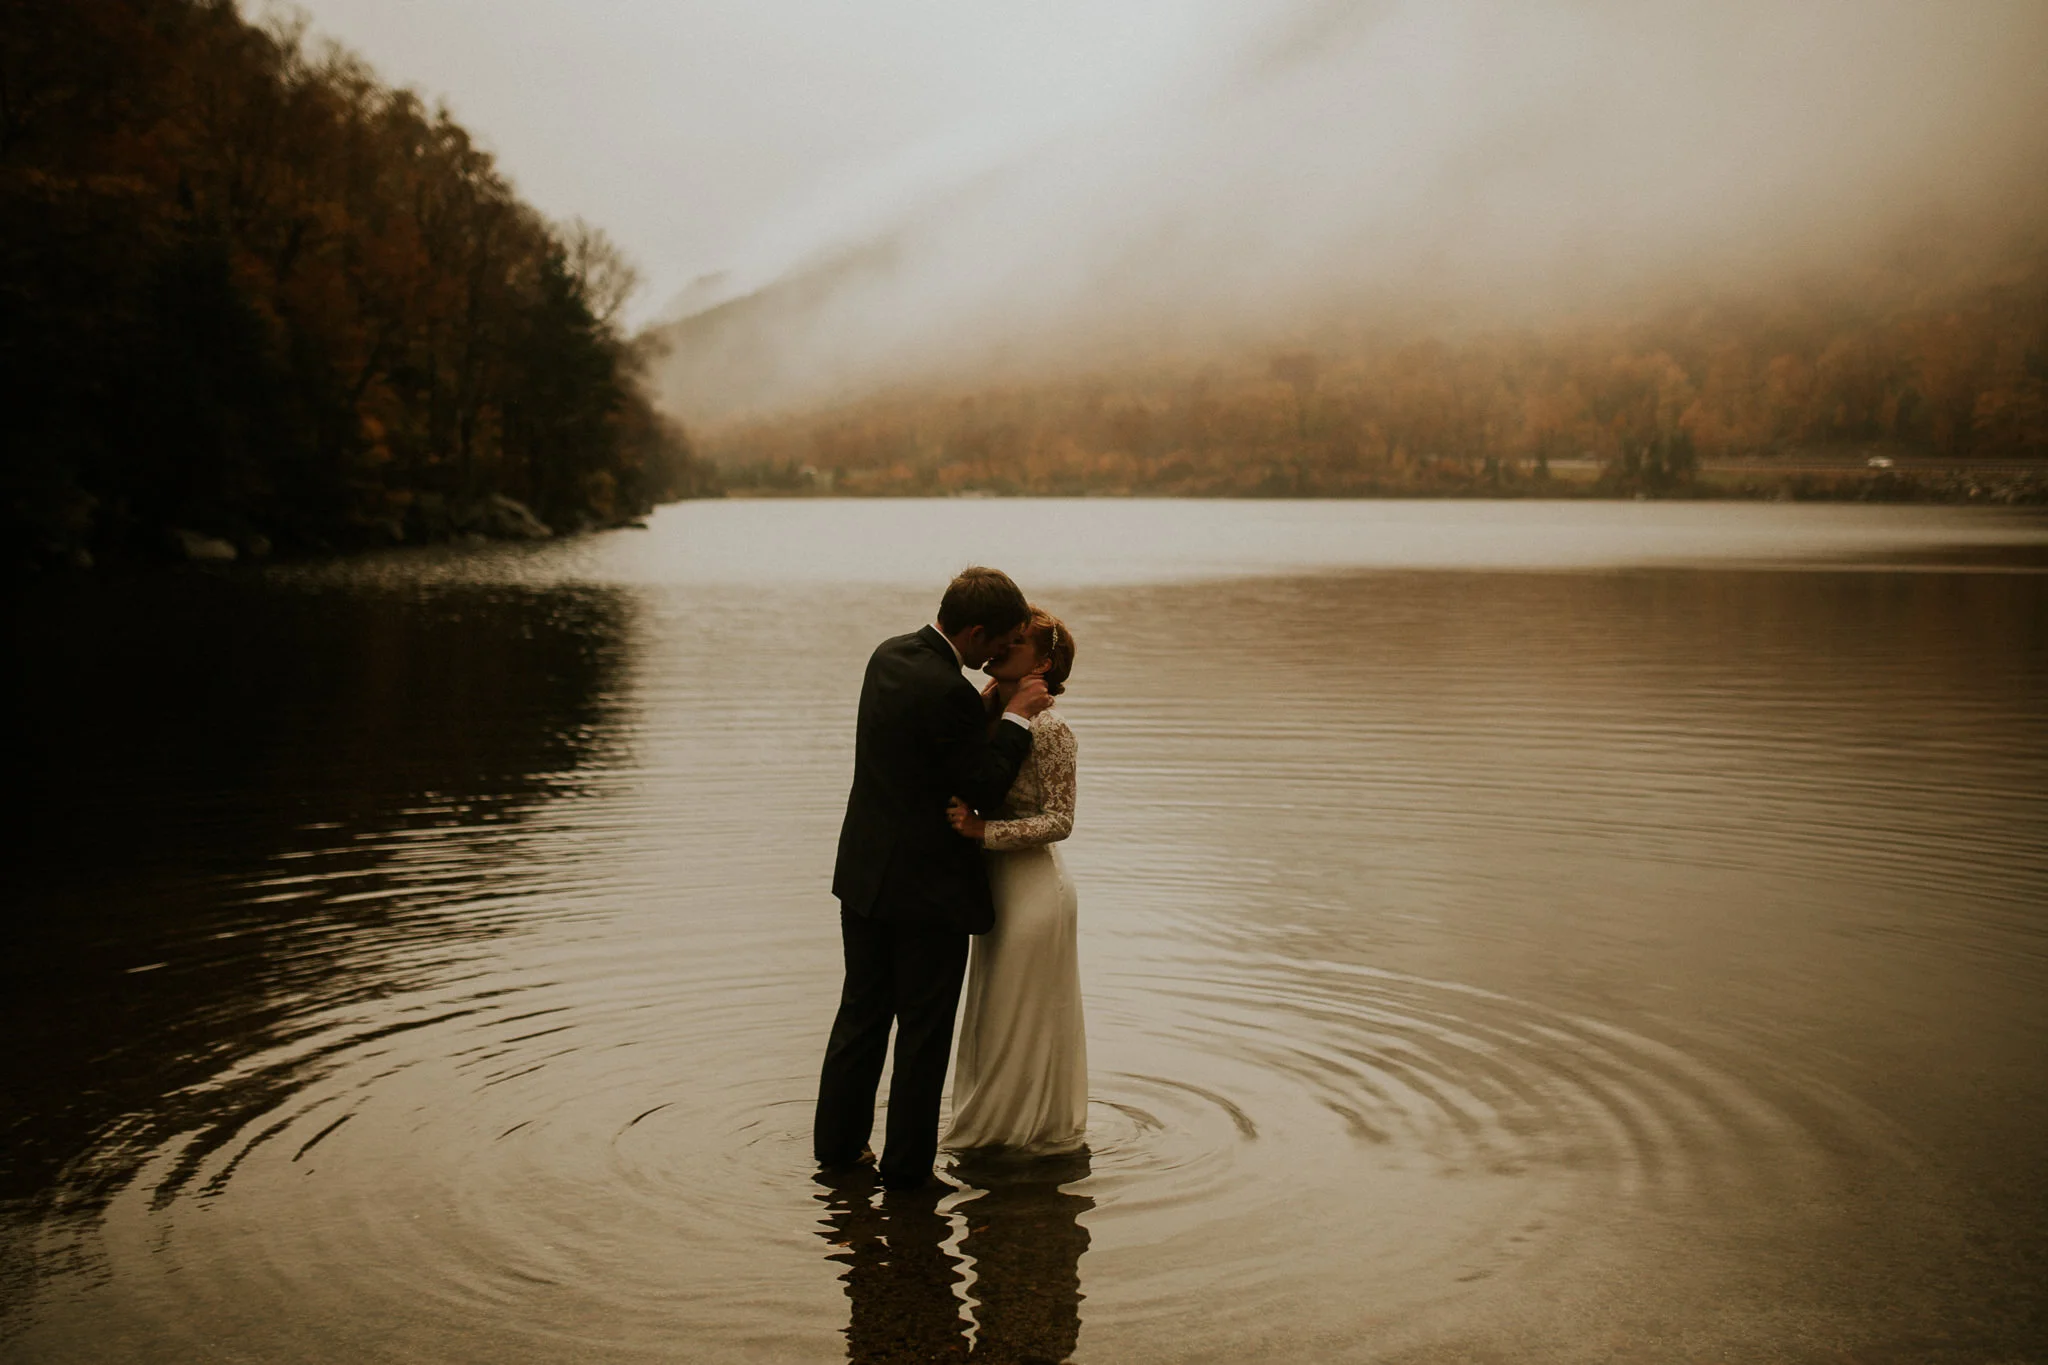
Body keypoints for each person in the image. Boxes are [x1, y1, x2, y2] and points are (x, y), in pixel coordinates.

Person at [813, 567, 1053, 1192]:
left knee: (861, 1015)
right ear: (974, 631)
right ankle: (908, 1171)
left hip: (865, 878)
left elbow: (925, 751)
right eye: (996, 644)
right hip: (927, 895)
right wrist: (1018, 718)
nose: (997, 656)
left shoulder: (889, 655)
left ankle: (838, 1151)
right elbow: (980, 785)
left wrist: (984, 714)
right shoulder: (949, 690)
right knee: (923, 1033)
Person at [942, 608, 1088, 1155]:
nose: (1002, 645)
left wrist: (985, 831)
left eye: (1018, 641)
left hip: (1034, 892)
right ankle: (995, 1132)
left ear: (1044, 663)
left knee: (1020, 1018)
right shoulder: (993, 717)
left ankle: (1018, 1133)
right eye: (1004, 638)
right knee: (995, 1013)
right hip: (995, 891)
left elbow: (1062, 820)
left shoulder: (1051, 729)